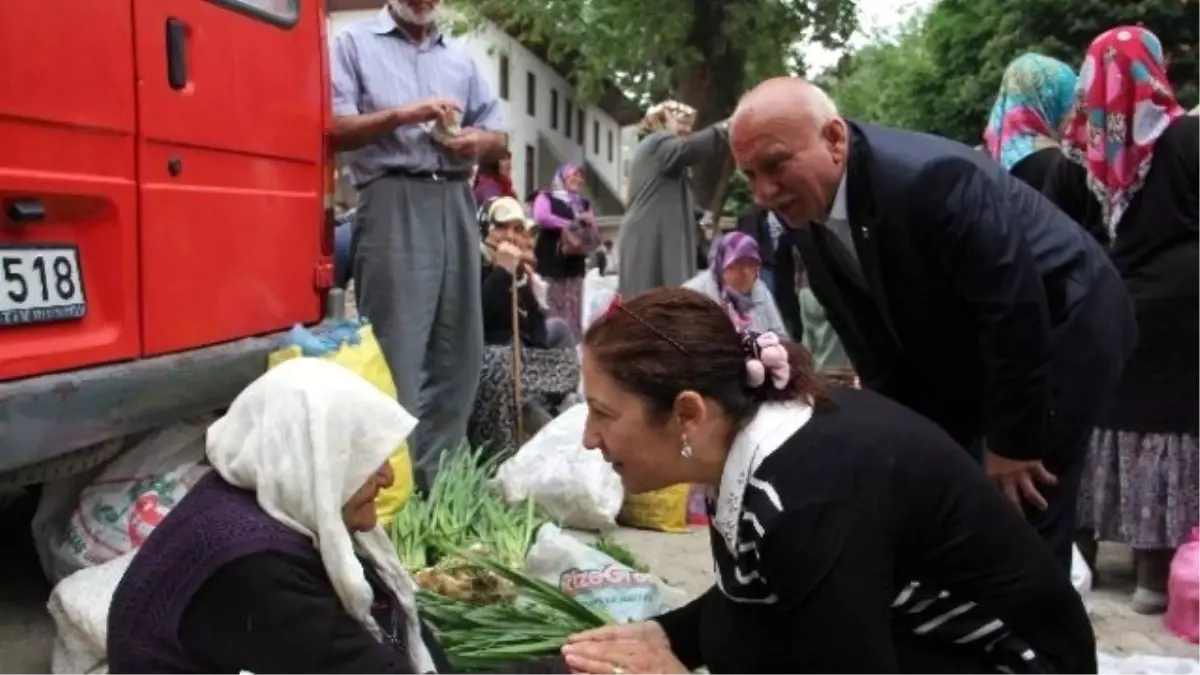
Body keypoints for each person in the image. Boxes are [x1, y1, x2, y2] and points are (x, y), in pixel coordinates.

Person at [561, 288, 1095, 675]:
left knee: (748, 648)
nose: (589, 438)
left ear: (688, 413)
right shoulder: (758, 441)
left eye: (604, 414)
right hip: (918, 637)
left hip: (1015, 661)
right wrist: (664, 635)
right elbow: (754, 595)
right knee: (739, 639)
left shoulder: (804, 497)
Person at [729, 76, 1137, 572]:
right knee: (937, 486)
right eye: (749, 175)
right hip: (979, 341)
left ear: (834, 140)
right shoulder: (805, 221)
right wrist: (898, 443)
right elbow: (875, 346)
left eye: (775, 165)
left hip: (1064, 323)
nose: (764, 191)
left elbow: (1012, 307)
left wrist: (1013, 444)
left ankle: (1041, 642)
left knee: (1022, 506)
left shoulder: (929, 180)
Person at [106, 358, 566, 674]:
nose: (387, 478)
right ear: (314, 462)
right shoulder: (251, 567)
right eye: (368, 460)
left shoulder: (267, 500)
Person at [1043, 26, 1200, 614]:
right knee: (1170, 432)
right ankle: (1154, 580)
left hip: (1104, 305)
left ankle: (1084, 558)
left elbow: (1055, 236)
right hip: (1185, 312)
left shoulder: (1075, 153)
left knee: (1103, 425)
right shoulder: (1186, 138)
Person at [330, 0, 506, 490]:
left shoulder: (461, 57)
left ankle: (440, 492)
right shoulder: (353, 43)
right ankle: (388, 496)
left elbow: (499, 135)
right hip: (390, 197)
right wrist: (407, 114)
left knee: (458, 353)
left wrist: (478, 141)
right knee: (397, 353)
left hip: (455, 198)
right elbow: (334, 128)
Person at [470, 196, 580, 451]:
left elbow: (535, 328)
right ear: (485, 227)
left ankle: (555, 400)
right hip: (486, 357)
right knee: (511, 352)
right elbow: (479, 317)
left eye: (517, 229)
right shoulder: (474, 261)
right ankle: (543, 419)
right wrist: (502, 274)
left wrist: (520, 279)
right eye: (501, 227)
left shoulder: (516, 265)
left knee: (559, 331)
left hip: (520, 355)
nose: (510, 235)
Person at [618, 101, 730, 296]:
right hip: (651, 240)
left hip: (652, 236)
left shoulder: (663, 156)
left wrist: (700, 215)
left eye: (689, 125)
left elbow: (671, 197)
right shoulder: (658, 143)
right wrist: (725, 128)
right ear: (661, 121)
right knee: (651, 303)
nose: (687, 130)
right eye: (681, 122)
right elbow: (687, 149)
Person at [983, 53, 1078, 190]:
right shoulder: (1057, 166)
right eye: (1069, 105)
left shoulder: (991, 152)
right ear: (1050, 104)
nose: (1074, 115)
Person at [531, 163, 598, 343]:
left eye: (580, 176)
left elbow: (593, 227)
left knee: (573, 304)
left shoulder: (584, 203)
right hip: (550, 260)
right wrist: (572, 223)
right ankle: (549, 341)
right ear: (561, 177)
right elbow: (541, 217)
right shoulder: (546, 197)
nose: (577, 179)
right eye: (572, 175)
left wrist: (588, 225)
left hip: (574, 262)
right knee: (551, 302)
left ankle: (571, 345)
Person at [683, 232, 789, 336]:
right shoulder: (694, 293)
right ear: (721, 264)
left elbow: (780, 335)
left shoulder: (759, 289)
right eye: (739, 265)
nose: (746, 273)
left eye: (753, 265)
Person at [735, 205, 802, 336]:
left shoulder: (763, 215)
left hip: (769, 264)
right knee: (765, 299)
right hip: (763, 265)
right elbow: (751, 242)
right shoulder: (753, 216)